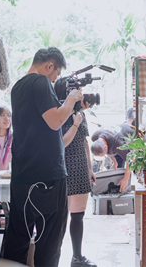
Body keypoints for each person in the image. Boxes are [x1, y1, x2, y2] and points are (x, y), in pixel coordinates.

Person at [3, 47, 83, 267]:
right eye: (56, 73)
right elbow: (55, 121)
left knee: (17, 239)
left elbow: (45, 128)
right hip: (47, 178)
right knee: (49, 242)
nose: (55, 78)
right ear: (49, 66)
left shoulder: (18, 87)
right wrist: (71, 99)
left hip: (22, 176)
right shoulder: (40, 82)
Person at [54, 77, 96, 267]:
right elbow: (62, 143)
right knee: (60, 217)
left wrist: (89, 168)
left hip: (80, 168)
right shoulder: (59, 114)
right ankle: (52, 256)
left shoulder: (80, 113)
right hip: (65, 168)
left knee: (78, 215)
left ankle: (77, 257)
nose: (80, 94)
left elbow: (85, 142)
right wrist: (76, 123)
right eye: (76, 90)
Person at [90, 123, 134, 191]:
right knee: (118, 169)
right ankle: (119, 187)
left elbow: (130, 157)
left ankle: (126, 184)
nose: (105, 154)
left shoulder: (117, 143)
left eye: (104, 154)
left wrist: (126, 179)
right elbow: (106, 151)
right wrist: (114, 161)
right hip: (115, 138)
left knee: (131, 169)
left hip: (130, 134)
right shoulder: (94, 137)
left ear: (106, 146)